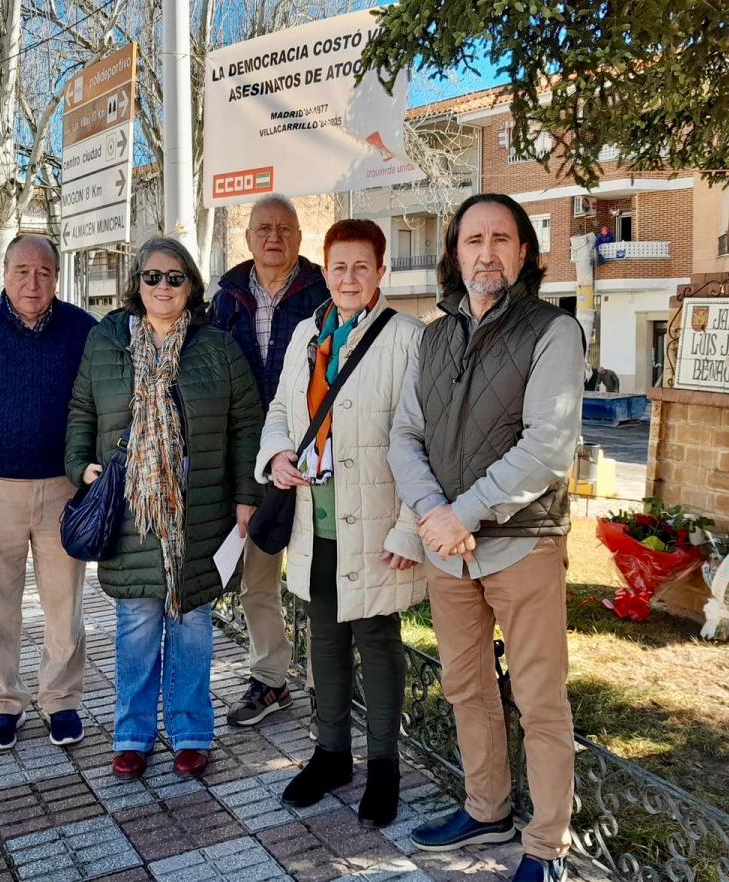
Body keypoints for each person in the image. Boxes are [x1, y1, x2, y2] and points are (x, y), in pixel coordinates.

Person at [389, 194, 585, 882]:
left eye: (502, 238)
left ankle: (546, 847)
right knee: (465, 686)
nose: (487, 250)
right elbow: (404, 436)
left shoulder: (551, 333)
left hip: (521, 543)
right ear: (455, 253)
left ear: (524, 253)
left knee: (539, 701)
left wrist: (460, 513)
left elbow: (549, 447)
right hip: (450, 548)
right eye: (474, 238)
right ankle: (486, 807)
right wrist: (432, 510)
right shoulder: (432, 336)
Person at [65, 238, 263, 781]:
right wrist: (80, 465)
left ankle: (191, 732)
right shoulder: (107, 340)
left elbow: (247, 423)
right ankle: (132, 735)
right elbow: (82, 406)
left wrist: (247, 494)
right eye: (151, 277)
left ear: (192, 287)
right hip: (130, 510)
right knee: (136, 623)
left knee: (193, 624)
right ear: (137, 283)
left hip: (200, 513)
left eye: (174, 278)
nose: (162, 288)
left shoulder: (216, 347)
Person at [255, 219, 425, 828]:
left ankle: (384, 767)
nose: (348, 278)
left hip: (375, 521)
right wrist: (276, 456)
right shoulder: (308, 332)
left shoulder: (408, 338)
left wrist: (410, 527)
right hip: (315, 515)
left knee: (377, 644)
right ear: (323, 271)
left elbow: (421, 440)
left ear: (382, 272)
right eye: (337, 267)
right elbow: (280, 408)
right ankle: (331, 754)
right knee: (323, 639)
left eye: (361, 267)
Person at [0, 235, 97, 751]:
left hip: (61, 491)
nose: (34, 282)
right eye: (23, 271)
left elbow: (97, 399)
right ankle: (3, 703)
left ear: (57, 275)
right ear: (4, 273)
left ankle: (61, 702)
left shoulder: (82, 329)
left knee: (64, 605)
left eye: (45, 272)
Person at [210, 195, 330, 726]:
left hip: (322, 455)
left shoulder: (326, 292)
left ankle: (332, 682)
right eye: (263, 228)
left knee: (325, 576)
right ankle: (271, 679)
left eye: (284, 228)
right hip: (254, 461)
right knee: (259, 578)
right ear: (249, 238)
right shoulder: (227, 299)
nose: (273, 237)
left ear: (300, 237)